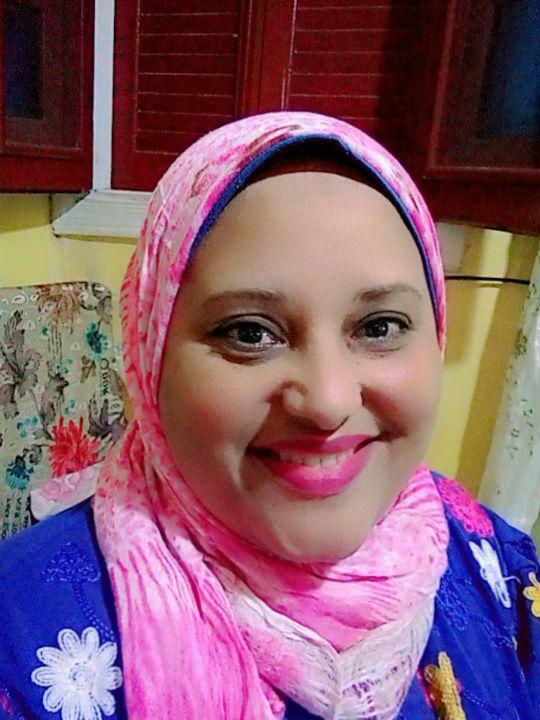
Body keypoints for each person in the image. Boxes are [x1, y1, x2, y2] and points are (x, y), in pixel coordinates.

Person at [0, 112, 538, 720]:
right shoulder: (19, 641)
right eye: (250, 333)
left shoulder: (499, 571)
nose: (328, 400)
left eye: (380, 326)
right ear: (150, 359)